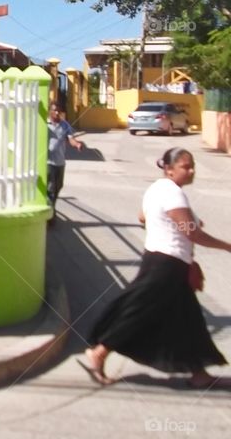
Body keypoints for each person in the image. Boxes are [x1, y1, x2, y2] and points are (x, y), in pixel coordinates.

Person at [81, 147, 231, 388]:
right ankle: (100, 351)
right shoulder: (173, 193)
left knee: (186, 319)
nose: (192, 171)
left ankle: (198, 373)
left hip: (163, 260)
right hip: (167, 265)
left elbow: (142, 217)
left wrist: (167, 224)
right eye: (186, 166)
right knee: (138, 311)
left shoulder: (157, 189)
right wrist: (226, 246)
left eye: (193, 166)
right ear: (169, 170)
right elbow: (192, 233)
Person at [47, 102, 83, 213]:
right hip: (48, 162)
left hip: (60, 162)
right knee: (50, 188)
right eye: (54, 110)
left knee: (59, 186)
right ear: (50, 111)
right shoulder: (45, 124)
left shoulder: (65, 125)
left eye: (59, 110)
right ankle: (51, 212)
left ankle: (51, 207)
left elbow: (70, 138)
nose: (57, 113)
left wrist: (77, 144)